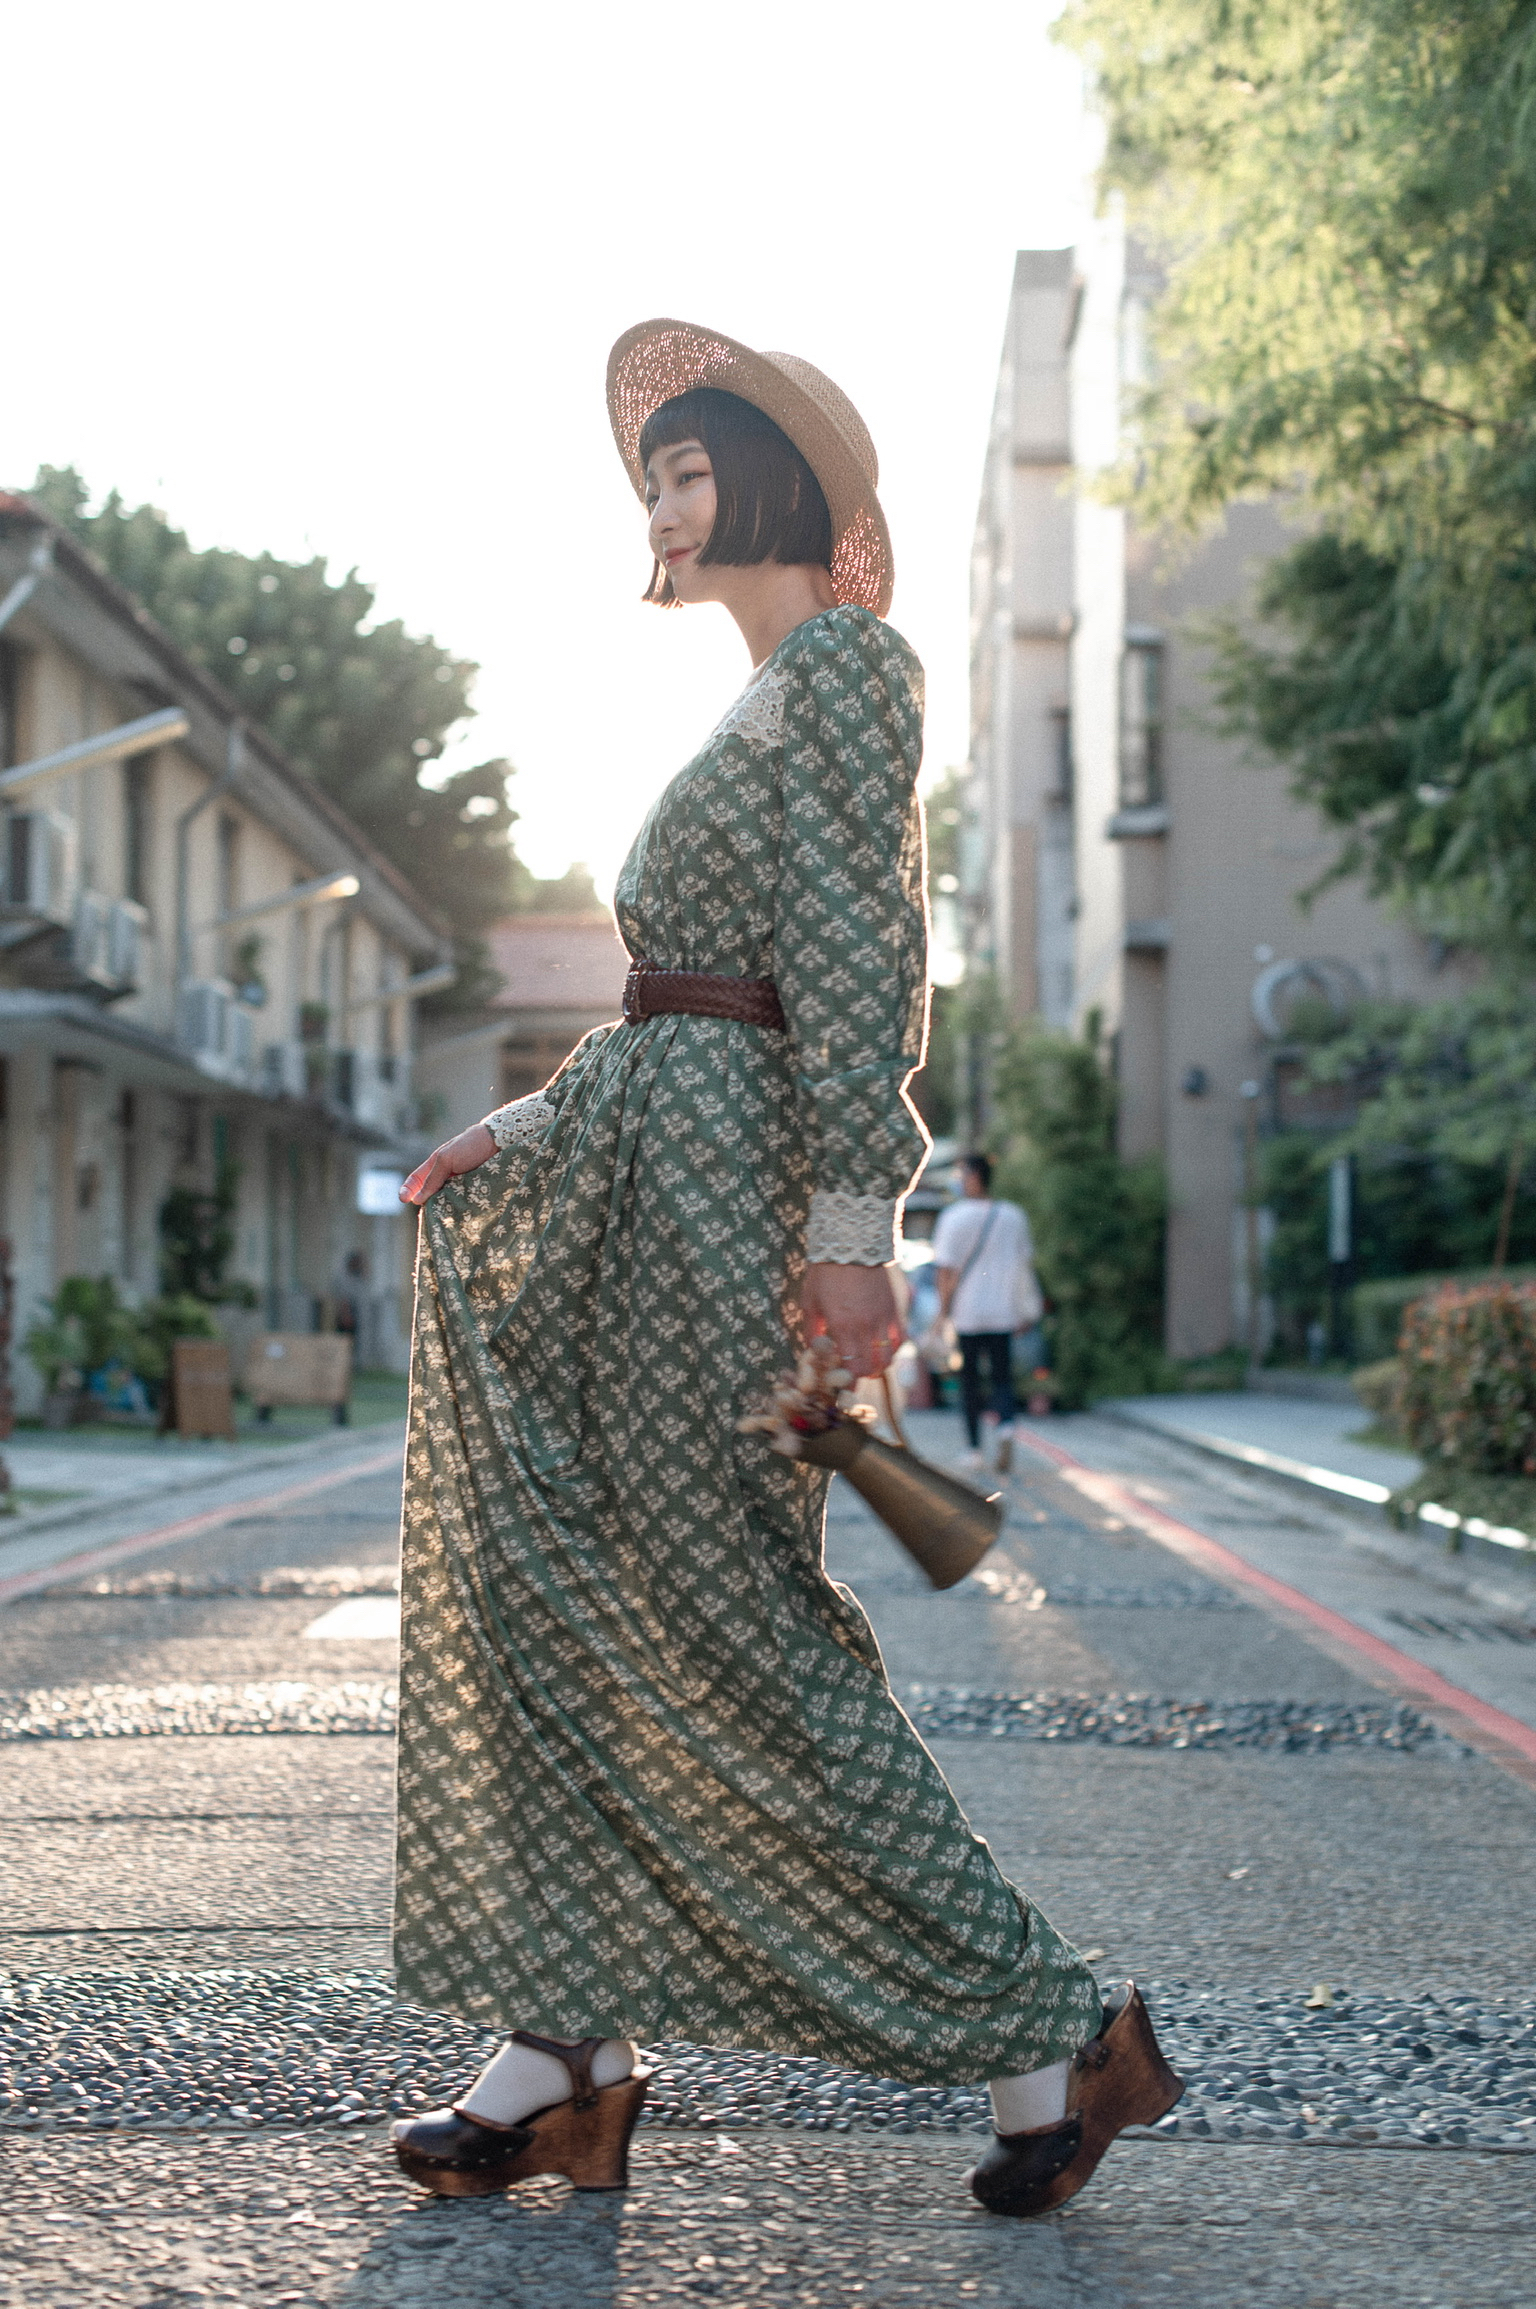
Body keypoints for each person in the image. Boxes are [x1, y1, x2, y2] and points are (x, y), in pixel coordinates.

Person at [385, 318, 1180, 2220]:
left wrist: (850, 1233)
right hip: (651, 1185)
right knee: (577, 1599)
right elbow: (684, 1006)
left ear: (771, 484)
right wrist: (526, 1125)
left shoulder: (844, 669)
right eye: (650, 475)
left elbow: (853, 968)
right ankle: (563, 2056)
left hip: (729, 1216)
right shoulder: (759, 698)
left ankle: (1058, 2033)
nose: (661, 501)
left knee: (738, 1625)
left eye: (688, 467)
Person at [932, 1154, 1042, 1474]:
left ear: (975, 1177)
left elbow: (945, 1271)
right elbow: (1024, 1266)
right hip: (1003, 1311)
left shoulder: (953, 1217)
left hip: (967, 1312)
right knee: (1002, 1376)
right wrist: (1025, 1309)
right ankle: (1006, 1427)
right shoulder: (1013, 1215)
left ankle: (974, 1449)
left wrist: (942, 1312)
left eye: (962, 1174)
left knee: (969, 1380)